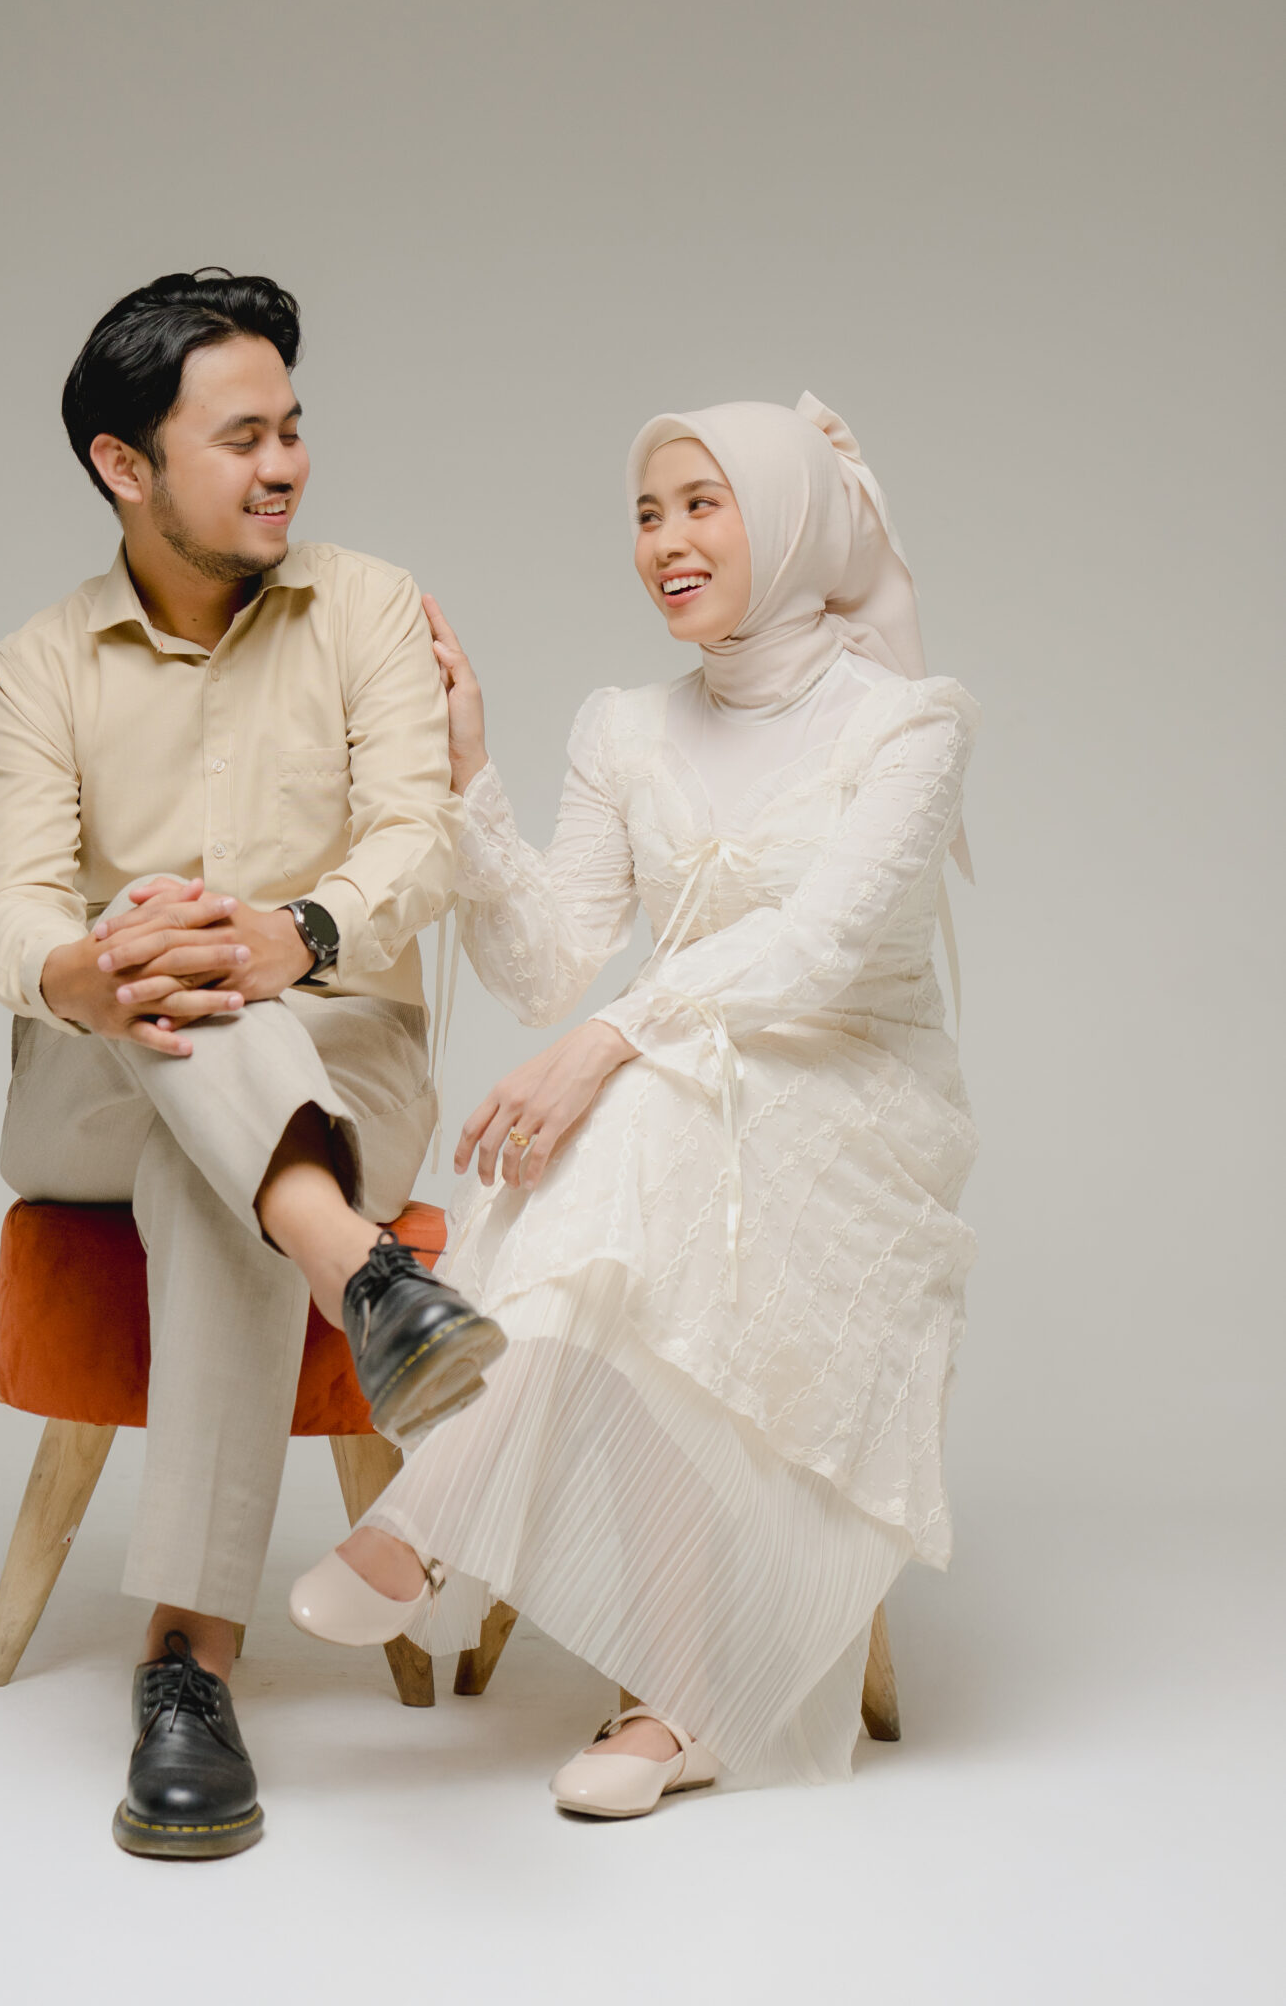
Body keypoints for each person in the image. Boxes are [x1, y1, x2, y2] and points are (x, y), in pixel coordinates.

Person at [288, 393, 979, 1818]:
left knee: (624, 1120)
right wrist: (472, 768)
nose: (665, 541)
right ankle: (674, 1702)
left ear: (787, 516)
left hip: (854, 1099)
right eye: (648, 514)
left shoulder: (910, 724)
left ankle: (439, 1516)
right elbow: (547, 964)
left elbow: (823, 950)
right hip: (673, 1089)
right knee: (635, 1145)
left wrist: (609, 1040)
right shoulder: (622, 726)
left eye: (702, 505)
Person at [0, 271, 501, 1861]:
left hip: (345, 1064)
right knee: (151, 927)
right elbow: (8, 901)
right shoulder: (41, 663)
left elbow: (421, 837)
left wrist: (297, 934)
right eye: (243, 437)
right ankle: (367, 1281)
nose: (286, 466)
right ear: (123, 466)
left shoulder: (370, 610)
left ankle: (187, 1669)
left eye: (293, 429)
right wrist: (85, 967)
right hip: (97, 1072)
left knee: (211, 1163)